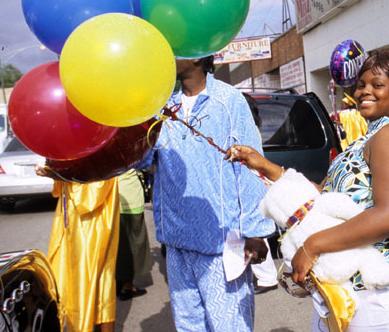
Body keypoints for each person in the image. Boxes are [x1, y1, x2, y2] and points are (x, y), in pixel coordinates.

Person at [229, 50, 389, 331]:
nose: (364, 92)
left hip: (379, 288)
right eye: (361, 85)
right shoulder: (369, 137)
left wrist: (312, 246)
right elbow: (319, 194)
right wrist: (262, 164)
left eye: (377, 85)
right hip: (348, 285)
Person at [137, 55, 274, 331]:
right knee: (189, 325)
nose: (168, 55)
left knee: (230, 325)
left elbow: (250, 168)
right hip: (177, 240)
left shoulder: (229, 100)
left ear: (198, 55)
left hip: (222, 243)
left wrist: (255, 231)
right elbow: (144, 162)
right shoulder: (161, 106)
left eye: (177, 50)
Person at [36, 167, 119, 332]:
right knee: (83, 279)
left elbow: (92, 196)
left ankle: (84, 326)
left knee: (90, 278)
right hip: (72, 218)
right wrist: (56, 172)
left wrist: (61, 175)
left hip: (91, 223)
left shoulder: (102, 149)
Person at [241, 92, 279, 294]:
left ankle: (267, 277)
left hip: (252, 182)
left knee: (255, 231)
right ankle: (264, 275)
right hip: (255, 181)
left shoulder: (246, 128)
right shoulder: (252, 126)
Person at [116, 169, 151, 300]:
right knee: (132, 246)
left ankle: (118, 282)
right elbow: (146, 165)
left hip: (113, 202)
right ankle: (128, 286)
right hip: (129, 201)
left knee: (120, 245)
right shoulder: (129, 151)